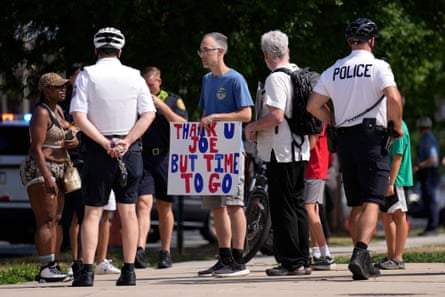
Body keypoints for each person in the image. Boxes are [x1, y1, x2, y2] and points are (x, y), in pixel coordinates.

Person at [307, 18, 404, 280]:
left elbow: (313, 106)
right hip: (372, 138)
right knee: (374, 199)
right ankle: (361, 253)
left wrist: (335, 122)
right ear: (371, 40)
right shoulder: (378, 66)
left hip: (346, 141)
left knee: (357, 204)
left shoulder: (333, 70)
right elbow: (393, 97)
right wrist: (396, 126)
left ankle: (360, 257)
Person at [70, 27, 156, 287]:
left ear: (96, 50)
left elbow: (78, 115)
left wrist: (103, 142)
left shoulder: (87, 75)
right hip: (130, 151)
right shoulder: (135, 76)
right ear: (120, 51)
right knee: (128, 210)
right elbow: (148, 114)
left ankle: (86, 271)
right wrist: (127, 141)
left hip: (98, 150)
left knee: (93, 212)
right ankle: (129, 271)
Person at [244, 30, 311, 276]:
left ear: (265, 55)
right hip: (300, 149)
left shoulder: (275, 79)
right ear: (287, 51)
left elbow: (276, 116)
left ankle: (290, 261)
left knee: (282, 207)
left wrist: (252, 126)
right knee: (297, 205)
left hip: (280, 151)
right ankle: (303, 258)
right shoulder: (298, 73)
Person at [196, 32, 253, 277]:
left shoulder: (235, 79)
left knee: (233, 204)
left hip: (231, 151)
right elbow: (206, 112)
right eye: (201, 50)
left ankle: (239, 260)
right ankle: (224, 257)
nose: (201, 54)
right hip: (211, 152)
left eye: (205, 49)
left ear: (220, 51)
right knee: (216, 207)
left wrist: (217, 117)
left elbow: (246, 115)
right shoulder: (207, 80)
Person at [20, 72, 79, 282]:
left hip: (60, 167)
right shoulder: (41, 113)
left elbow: (65, 135)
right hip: (41, 168)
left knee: (57, 219)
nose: (63, 89)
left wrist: (73, 141)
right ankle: (46, 266)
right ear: (46, 90)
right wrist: (47, 176)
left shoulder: (59, 110)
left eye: (64, 86)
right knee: (45, 220)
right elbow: (35, 148)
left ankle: (54, 264)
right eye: (58, 87)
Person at [135, 66, 188, 269]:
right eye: (144, 85)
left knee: (165, 205)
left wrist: (160, 105)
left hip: (166, 156)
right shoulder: (137, 100)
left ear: (159, 82)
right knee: (143, 203)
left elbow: (183, 124)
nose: (147, 89)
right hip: (144, 156)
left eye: (150, 85)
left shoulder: (173, 100)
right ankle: (139, 250)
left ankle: (165, 252)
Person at [60, 62, 87, 278]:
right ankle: (73, 261)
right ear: (70, 79)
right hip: (70, 167)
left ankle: (85, 259)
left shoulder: (89, 99)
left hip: (90, 163)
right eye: (77, 76)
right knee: (71, 215)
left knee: (88, 213)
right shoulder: (66, 104)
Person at [377, 120, 413, 270]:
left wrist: (391, 182)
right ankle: (391, 255)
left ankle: (398, 257)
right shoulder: (388, 126)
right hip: (388, 178)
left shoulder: (400, 127)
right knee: (386, 215)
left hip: (397, 179)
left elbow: (397, 157)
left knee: (399, 215)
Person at [304, 123, 336, 270]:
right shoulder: (321, 108)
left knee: (308, 208)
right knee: (314, 209)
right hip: (317, 167)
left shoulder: (317, 110)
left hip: (313, 168)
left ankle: (326, 254)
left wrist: (299, 154)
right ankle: (316, 252)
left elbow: (313, 140)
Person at [413, 116, 440, 236]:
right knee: (427, 200)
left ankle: (433, 227)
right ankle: (430, 226)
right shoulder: (425, 139)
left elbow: (433, 159)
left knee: (431, 200)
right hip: (426, 174)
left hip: (430, 173)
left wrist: (419, 165)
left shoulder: (429, 140)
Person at [95, 191, 121, 274]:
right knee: (88, 216)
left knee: (105, 214)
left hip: (107, 181)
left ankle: (101, 261)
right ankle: (79, 262)